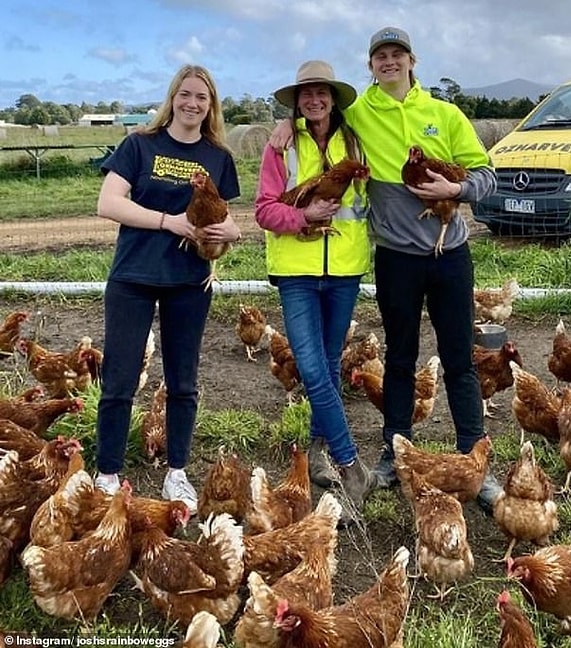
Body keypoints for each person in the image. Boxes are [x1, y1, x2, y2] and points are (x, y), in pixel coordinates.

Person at [270, 28, 500, 514]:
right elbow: (317, 114)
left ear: (412, 60)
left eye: (397, 54)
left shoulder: (445, 114)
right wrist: (284, 124)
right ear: (370, 65)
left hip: (449, 255)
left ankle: (475, 460)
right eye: (380, 56)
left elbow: (485, 174)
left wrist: (455, 192)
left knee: (459, 359)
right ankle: (395, 455)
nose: (388, 62)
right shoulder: (357, 115)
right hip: (396, 258)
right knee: (399, 359)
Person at [94, 64, 241, 515]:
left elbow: (230, 220)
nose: (192, 103)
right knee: (119, 381)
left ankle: (177, 471)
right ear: (172, 97)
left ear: (210, 105)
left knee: (183, 382)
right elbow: (108, 202)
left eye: (202, 97)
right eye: (186, 94)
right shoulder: (140, 145)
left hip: (188, 282)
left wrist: (226, 234)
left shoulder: (218, 157)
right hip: (133, 278)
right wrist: (168, 222)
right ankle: (107, 474)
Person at [256, 60, 375, 520]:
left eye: (321, 92)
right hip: (297, 270)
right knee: (309, 366)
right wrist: (303, 218)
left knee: (326, 365)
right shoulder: (281, 145)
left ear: (333, 98)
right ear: (297, 102)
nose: (314, 99)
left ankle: (317, 455)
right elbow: (266, 210)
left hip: (344, 269)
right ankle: (350, 464)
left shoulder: (355, 140)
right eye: (306, 93)